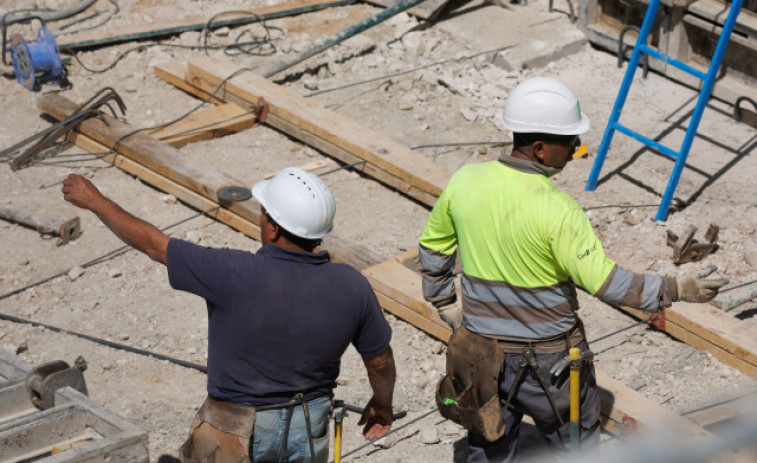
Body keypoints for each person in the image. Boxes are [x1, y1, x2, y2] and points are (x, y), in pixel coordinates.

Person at [419, 77, 728, 462]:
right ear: (540, 149)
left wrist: (445, 303)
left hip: (482, 353)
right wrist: (676, 288)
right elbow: (607, 283)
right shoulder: (559, 210)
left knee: (487, 440)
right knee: (573, 446)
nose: (575, 151)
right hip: (550, 365)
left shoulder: (465, 181)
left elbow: (433, 247)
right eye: (570, 143)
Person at [62, 167, 396, 463]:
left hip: (234, 430)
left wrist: (96, 201)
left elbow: (154, 245)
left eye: (264, 212)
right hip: (307, 428)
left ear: (274, 229)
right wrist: (382, 405)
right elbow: (379, 361)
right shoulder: (353, 285)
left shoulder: (231, 271)